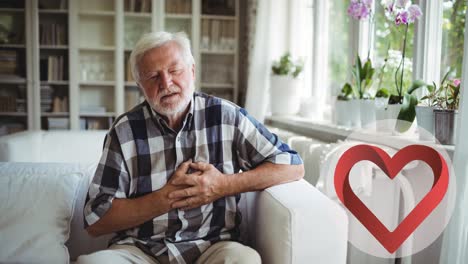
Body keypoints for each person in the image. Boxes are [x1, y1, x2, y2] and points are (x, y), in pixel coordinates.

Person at [78, 31, 304, 264]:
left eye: (174, 71)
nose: (166, 83)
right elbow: (96, 220)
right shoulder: (124, 130)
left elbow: (292, 166)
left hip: (213, 247)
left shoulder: (226, 115)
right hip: (140, 251)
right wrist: (165, 199)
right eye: (153, 76)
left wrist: (223, 185)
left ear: (192, 71)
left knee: (245, 260)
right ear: (140, 85)